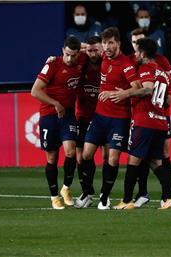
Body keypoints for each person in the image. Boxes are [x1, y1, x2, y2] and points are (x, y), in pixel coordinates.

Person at [112, 37, 171, 210]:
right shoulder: (163, 73)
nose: (135, 54)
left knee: (133, 160)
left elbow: (148, 88)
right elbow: (167, 101)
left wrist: (126, 94)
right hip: (160, 122)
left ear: (142, 52)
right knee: (156, 163)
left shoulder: (146, 67)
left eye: (136, 51)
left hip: (145, 121)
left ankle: (127, 201)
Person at [77, 27, 141, 210]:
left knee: (112, 159)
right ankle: (88, 191)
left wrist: (122, 94)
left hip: (119, 119)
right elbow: (82, 47)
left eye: (110, 43)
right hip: (99, 117)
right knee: (86, 155)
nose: (107, 47)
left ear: (118, 43)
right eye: (104, 43)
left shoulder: (126, 64)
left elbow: (138, 88)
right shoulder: (103, 56)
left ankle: (105, 197)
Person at [31, 36, 86, 210]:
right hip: (49, 115)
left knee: (71, 153)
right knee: (52, 157)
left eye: (74, 55)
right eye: (67, 54)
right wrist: (55, 104)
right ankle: (54, 196)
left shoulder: (81, 60)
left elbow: (94, 48)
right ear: (62, 50)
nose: (70, 59)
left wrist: (83, 48)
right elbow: (35, 90)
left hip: (68, 115)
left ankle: (66, 189)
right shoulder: (53, 65)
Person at [73, 36, 103, 208]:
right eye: (90, 50)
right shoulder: (81, 60)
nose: (93, 53)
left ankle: (104, 193)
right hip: (82, 116)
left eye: (96, 50)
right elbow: (69, 48)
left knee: (108, 156)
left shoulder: (107, 62)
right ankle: (87, 192)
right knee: (81, 156)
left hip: (103, 117)